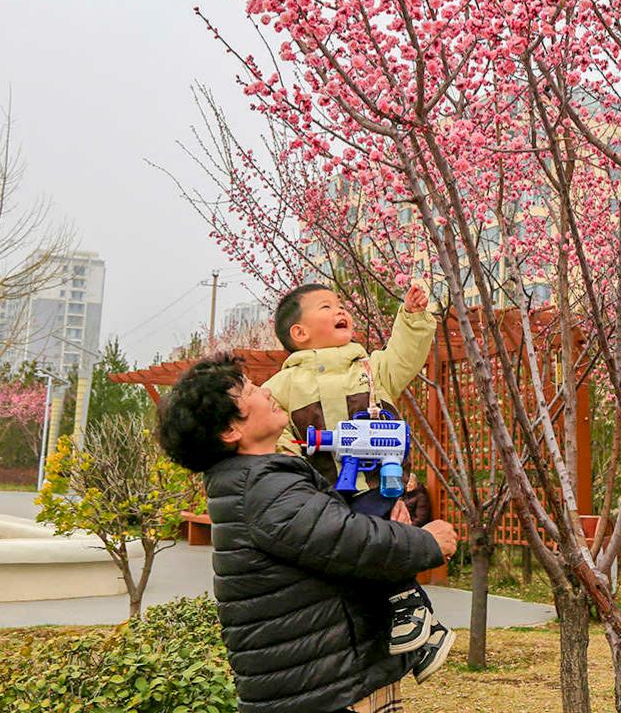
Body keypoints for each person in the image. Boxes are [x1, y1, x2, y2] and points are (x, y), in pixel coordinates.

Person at [156, 353, 458, 713]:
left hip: (323, 681)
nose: (266, 392)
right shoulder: (263, 487)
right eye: (249, 390)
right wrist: (428, 542)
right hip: (327, 689)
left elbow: (330, 534)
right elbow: (348, 541)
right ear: (230, 430)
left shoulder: (255, 481)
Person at [264, 281, 451, 672]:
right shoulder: (282, 386)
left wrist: (413, 318)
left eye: (340, 304)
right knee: (353, 560)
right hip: (323, 495)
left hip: (374, 485)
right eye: (326, 307)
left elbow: (404, 356)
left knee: (377, 541)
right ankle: (422, 631)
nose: (339, 310)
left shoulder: (371, 370)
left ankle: (410, 608)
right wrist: (291, 452)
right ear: (299, 333)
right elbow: (270, 428)